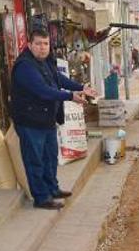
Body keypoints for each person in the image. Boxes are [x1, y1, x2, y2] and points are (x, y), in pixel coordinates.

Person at [10, 30, 97, 210]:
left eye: (46, 44)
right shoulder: (24, 66)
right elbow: (43, 91)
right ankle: (41, 198)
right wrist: (70, 96)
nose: (43, 48)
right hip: (30, 122)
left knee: (50, 157)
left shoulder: (45, 61)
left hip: (47, 120)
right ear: (29, 45)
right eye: (38, 44)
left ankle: (52, 189)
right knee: (35, 160)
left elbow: (58, 79)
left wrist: (81, 87)